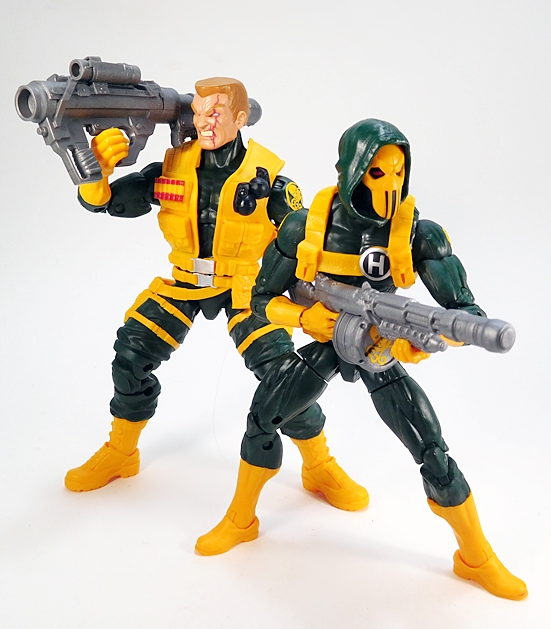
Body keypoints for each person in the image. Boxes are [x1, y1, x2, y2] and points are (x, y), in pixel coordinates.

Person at [196, 118, 527, 601]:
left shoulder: (418, 234)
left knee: (433, 453)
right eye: (377, 173)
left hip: (378, 345)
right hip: (328, 336)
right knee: (263, 418)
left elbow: (466, 313)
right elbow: (260, 299)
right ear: (351, 170)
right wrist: (306, 318)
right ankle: (241, 520)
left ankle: (476, 557)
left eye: (398, 173)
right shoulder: (305, 227)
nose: (390, 185)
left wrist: (418, 342)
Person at [64, 78, 368, 525]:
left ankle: (318, 464)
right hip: (186, 282)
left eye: (216, 113)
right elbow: (108, 202)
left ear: (240, 118)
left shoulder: (270, 181)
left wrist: (328, 287)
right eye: (199, 112)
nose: (204, 122)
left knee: (284, 377)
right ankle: (121, 451)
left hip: (246, 287)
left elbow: (305, 239)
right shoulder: (174, 166)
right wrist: (96, 174)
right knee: (130, 354)